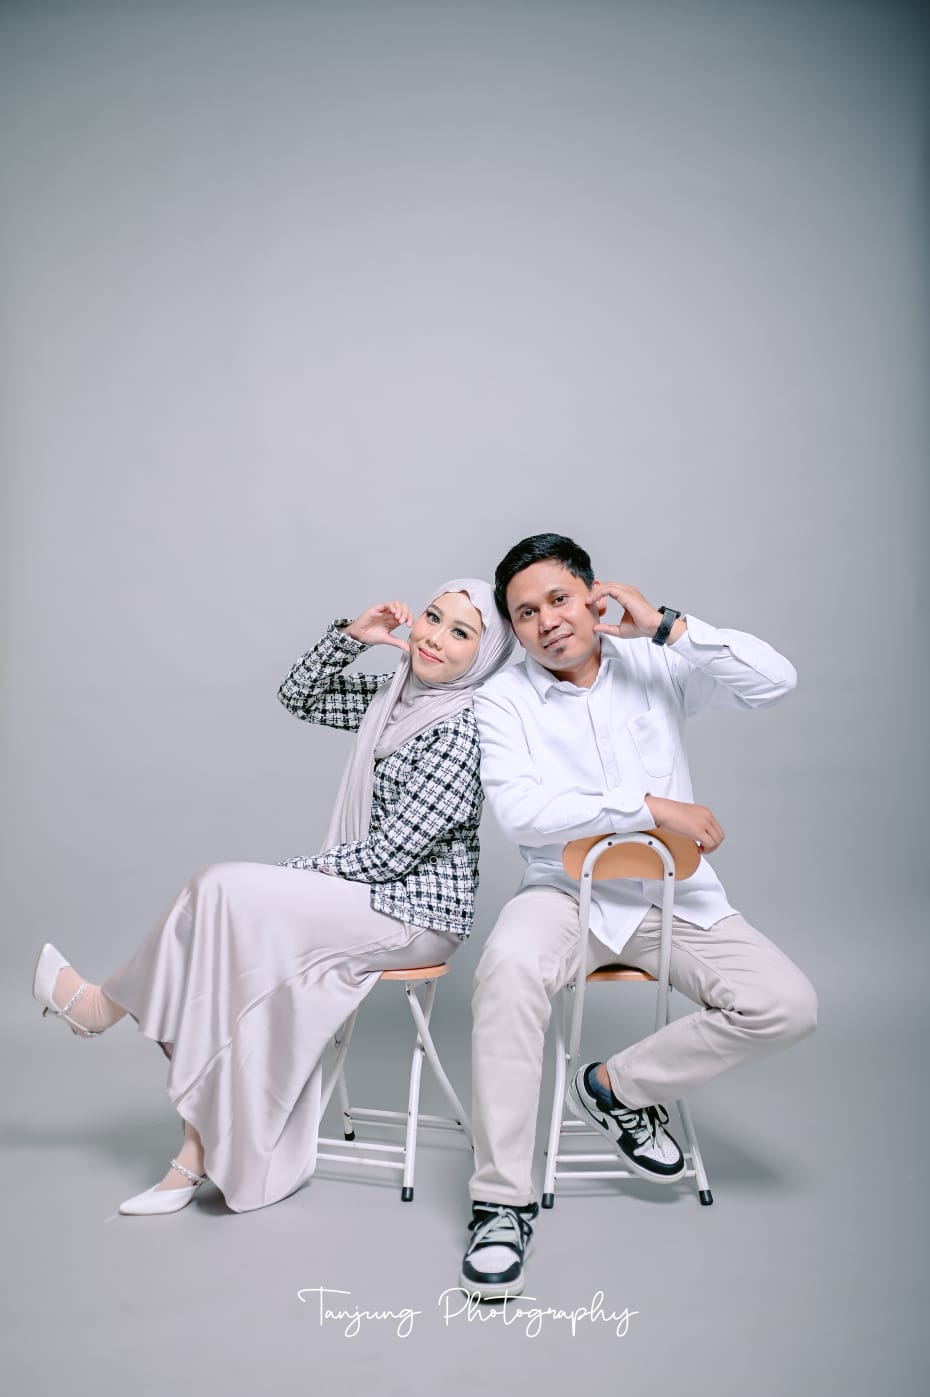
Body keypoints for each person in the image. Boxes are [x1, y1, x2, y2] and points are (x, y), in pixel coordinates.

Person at [32, 579, 514, 1215]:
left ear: (483, 657)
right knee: (228, 916)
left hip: (415, 914)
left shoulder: (462, 729)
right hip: (367, 895)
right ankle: (193, 1150)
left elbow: (392, 857)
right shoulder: (395, 697)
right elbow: (300, 696)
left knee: (224, 892)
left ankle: (104, 1011)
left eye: (461, 633)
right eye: (432, 616)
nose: (434, 638)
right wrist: (352, 638)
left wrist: (288, 876)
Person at [459, 534, 818, 1298]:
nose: (547, 621)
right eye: (526, 613)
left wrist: (668, 626)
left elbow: (775, 680)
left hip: (671, 898)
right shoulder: (502, 697)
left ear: (593, 595)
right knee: (508, 968)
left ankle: (615, 1087)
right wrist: (650, 806)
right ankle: (500, 1203)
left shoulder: (654, 661)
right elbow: (523, 813)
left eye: (559, 598)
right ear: (514, 628)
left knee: (786, 1004)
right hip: (564, 894)